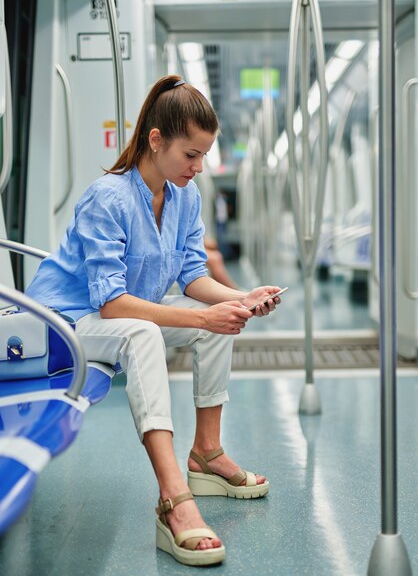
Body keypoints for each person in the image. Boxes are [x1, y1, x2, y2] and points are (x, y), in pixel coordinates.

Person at [26, 75, 283, 567]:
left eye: (204, 155)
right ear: (156, 140)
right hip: (64, 325)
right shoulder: (109, 198)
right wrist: (204, 317)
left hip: (118, 317)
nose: (199, 167)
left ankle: (206, 453)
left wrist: (240, 298)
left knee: (220, 320)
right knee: (154, 330)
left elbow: (190, 274)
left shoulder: (184, 196)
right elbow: (113, 305)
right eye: (191, 154)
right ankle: (173, 498)